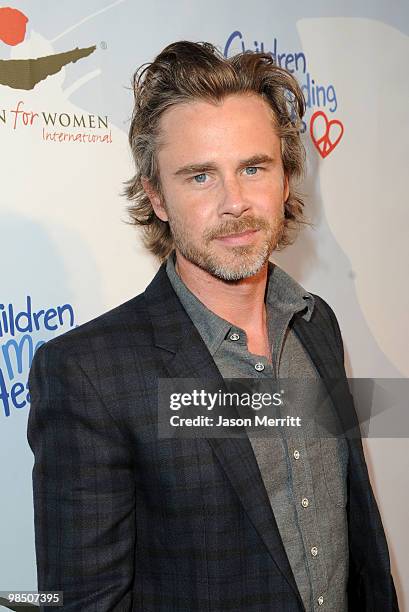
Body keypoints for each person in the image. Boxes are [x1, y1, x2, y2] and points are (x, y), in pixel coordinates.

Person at [27, 41, 398, 611]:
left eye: (254, 168)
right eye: (201, 176)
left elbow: (356, 544)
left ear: (283, 179)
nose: (235, 202)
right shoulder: (89, 374)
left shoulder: (316, 323)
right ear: (157, 197)